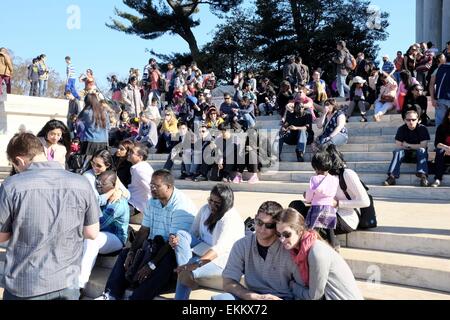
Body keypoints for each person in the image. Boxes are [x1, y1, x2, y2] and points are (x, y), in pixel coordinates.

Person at [0, 133, 100, 300]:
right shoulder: (82, 182)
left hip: (26, 283)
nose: (16, 169)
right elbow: (92, 232)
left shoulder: (12, 186)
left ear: (20, 160)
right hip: (67, 281)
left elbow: (1, 235)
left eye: (14, 165)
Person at [96, 170, 197, 300]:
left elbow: (172, 242)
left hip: (172, 250)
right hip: (154, 246)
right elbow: (143, 231)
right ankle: (111, 295)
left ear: (169, 187)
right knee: (125, 254)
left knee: (166, 261)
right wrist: (132, 253)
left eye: (156, 186)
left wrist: (151, 265)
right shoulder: (152, 201)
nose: (152, 189)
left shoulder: (181, 206)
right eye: (151, 185)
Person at [212, 201, 303, 300]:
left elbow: (302, 288)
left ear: (277, 227)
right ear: (255, 218)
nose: (262, 229)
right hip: (251, 296)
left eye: (269, 225)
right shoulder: (242, 245)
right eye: (259, 222)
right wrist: (252, 296)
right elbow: (228, 282)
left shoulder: (289, 249)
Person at [171, 184, 245, 300]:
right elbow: (193, 232)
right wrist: (176, 240)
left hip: (223, 259)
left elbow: (219, 249)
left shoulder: (230, 218)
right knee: (181, 235)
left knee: (184, 274)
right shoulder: (205, 209)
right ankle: (185, 269)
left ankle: (185, 275)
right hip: (203, 248)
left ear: (225, 203)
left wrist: (195, 264)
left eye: (217, 203)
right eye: (210, 200)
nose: (212, 205)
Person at [274, 208, 363, 300]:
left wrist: (291, 285)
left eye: (286, 234)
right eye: (278, 234)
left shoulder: (316, 252)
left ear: (300, 231)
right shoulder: (297, 250)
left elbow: (314, 296)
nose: (282, 239)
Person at [289, 144, 370, 235]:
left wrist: (338, 203)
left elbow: (365, 201)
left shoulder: (347, 174)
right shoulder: (325, 176)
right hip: (326, 211)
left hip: (346, 217)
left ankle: (325, 240)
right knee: (295, 206)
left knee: (316, 221)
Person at [78, 170, 130, 293]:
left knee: (92, 239)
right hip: (100, 233)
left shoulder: (117, 203)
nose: (99, 185)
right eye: (98, 182)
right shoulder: (102, 196)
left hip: (116, 238)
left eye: (103, 184)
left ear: (113, 185)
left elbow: (99, 225)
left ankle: (79, 284)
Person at [384, 110, 430, 187]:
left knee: (421, 150)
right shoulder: (401, 129)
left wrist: (407, 145)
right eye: (408, 120)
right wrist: (415, 146)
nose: (411, 122)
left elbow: (423, 146)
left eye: (413, 119)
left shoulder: (422, 129)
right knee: (398, 151)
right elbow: (398, 146)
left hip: (419, 155)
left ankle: (423, 177)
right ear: (405, 120)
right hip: (405, 156)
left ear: (418, 120)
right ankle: (392, 177)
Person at [304, 152, 340, 249]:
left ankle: (308, 247)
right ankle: (334, 247)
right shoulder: (334, 179)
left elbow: (309, 195)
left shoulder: (314, 179)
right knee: (329, 230)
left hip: (317, 207)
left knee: (313, 229)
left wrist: (306, 198)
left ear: (315, 167)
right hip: (330, 208)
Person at [78, 93, 110, 166]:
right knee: (101, 164)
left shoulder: (86, 112)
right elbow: (108, 127)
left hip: (90, 141)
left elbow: (80, 126)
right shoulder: (104, 112)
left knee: (87, 164)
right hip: (103, 142)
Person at [127, 143, 154, 225]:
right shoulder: (138, 167)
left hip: (136, 206)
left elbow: (152, 189)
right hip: (133, 202)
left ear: (140, 157)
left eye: (131, 152)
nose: (128, 153)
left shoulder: (140, 170)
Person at [431, 108, 450, 187]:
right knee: (440, 151)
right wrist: (447, 148)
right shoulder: (441, 127)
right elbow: (437, 144)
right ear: (448, 116)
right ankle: (438, 179)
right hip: (445, 154)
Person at [429, 58, 450, 127]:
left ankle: (439, 137)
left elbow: (431, 84)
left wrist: (432, 99)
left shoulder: (439, 68)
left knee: (439, 122)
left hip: (440, 98)